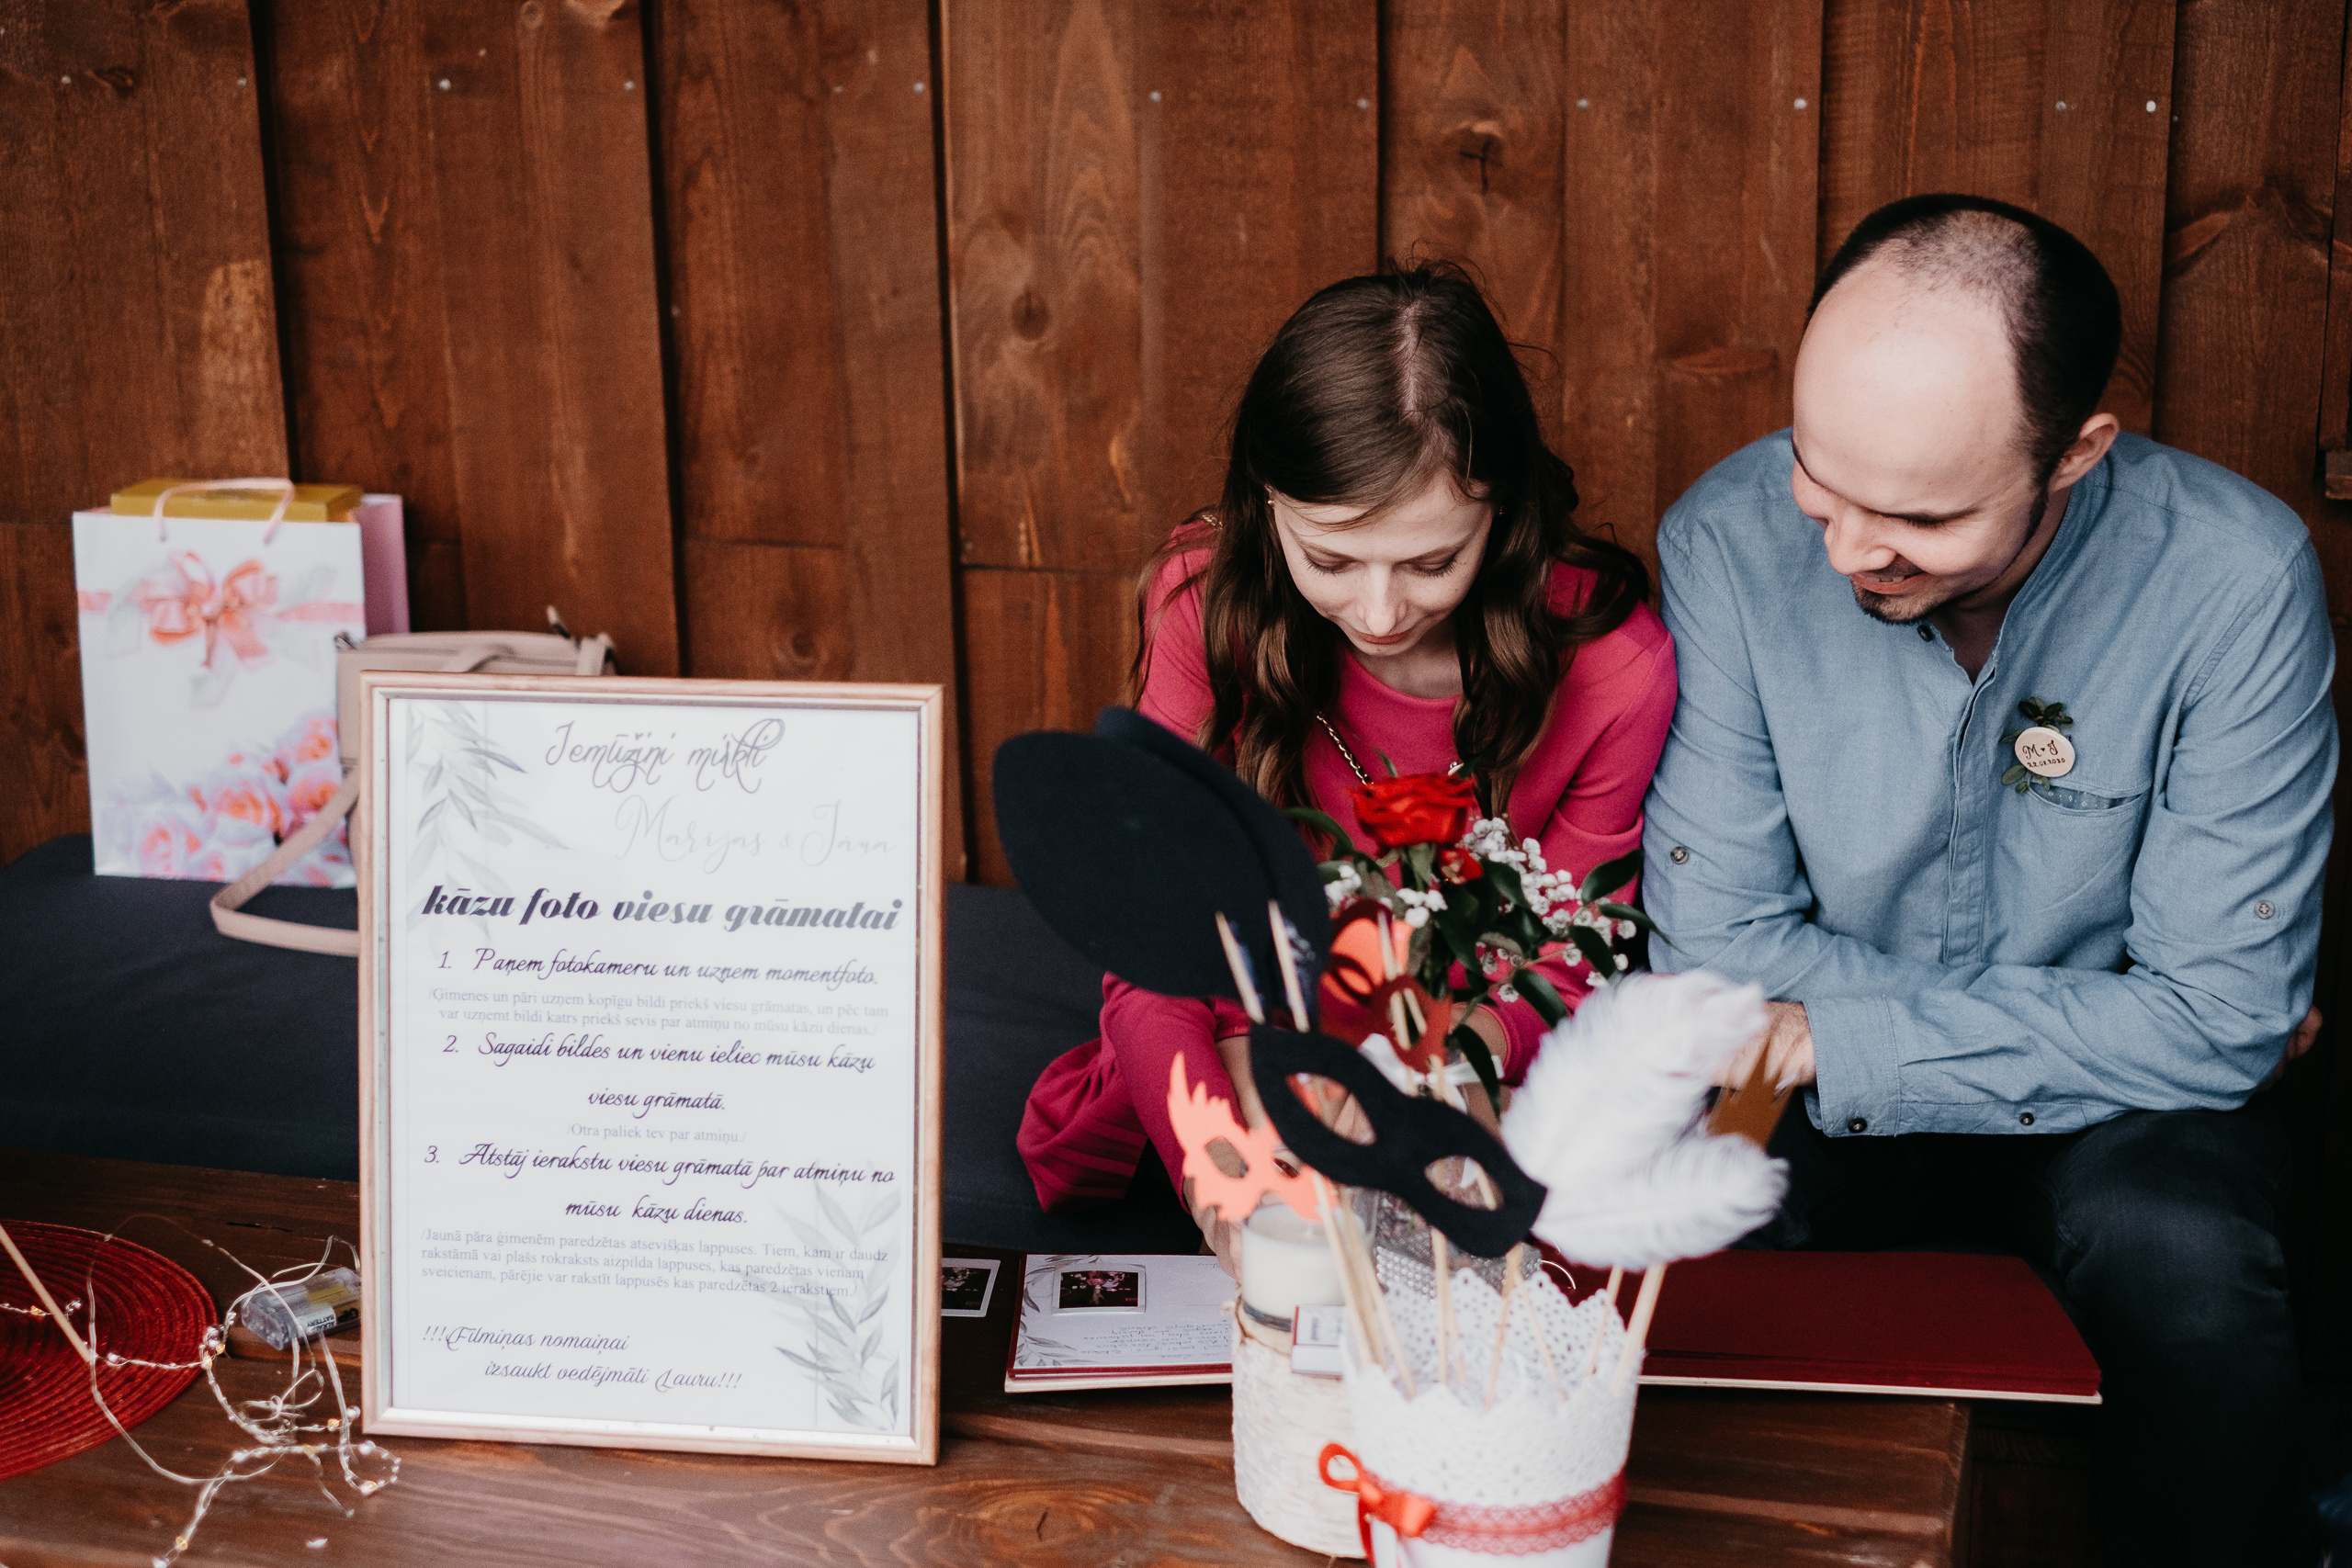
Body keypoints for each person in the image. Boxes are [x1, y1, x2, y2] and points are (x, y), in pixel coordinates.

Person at [1642, 193, 2335, 1562]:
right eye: (1820, 479)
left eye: (1919, 515)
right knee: (1691, 1189)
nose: (1845, 549)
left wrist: (1838, 1028)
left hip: (2125, 1124)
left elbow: (2217, 1021)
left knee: (2177, 1250)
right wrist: (2121, 1012)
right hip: (1825, 1090)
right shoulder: (1726, 538)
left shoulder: (2240, 580)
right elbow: (1716, 954)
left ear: (2075, 451)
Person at [1018, 264, 1677, 1261]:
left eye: (1430, 563)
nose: (1377, 615)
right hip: (1228, 1051)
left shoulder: (1611, 667)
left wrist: (1447, 1074)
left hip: (1478, 1068)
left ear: (1499, 512)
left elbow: (1576, 956)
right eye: (1329, 560)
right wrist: (1218, 1181)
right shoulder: (1205, 604)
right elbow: (1152, 954)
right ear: (1267, 504)